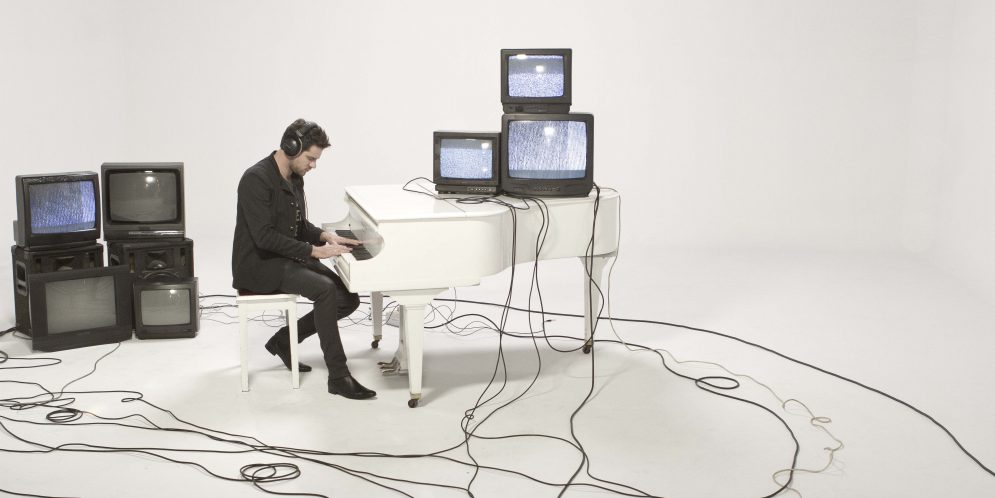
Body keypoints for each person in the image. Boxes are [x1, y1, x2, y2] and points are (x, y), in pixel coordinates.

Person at [232, 118, 375, 400]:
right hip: (259, 265)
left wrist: (326, 237)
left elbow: (297, 226)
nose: (313, 165)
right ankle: (339, 376)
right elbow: (264, 237)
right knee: (325, 290)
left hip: (285, 257)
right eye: (311, 158)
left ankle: (284, 341)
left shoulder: (295, 178)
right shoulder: (255, 179)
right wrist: (314, 252)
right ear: (291, 147)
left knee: (349, 298)